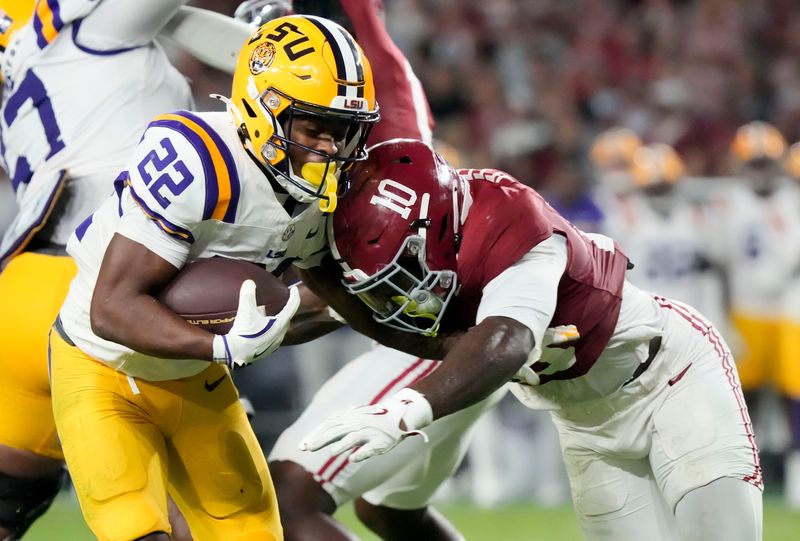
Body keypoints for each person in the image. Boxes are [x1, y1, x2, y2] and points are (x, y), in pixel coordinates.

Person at [299, 139, 764, 541]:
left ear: (431, 227)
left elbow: (508, 342)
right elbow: (331, 305)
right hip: (585, 423)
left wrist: (404, 410)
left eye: (405, 265)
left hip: (670, 378)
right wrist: (264, 322)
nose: (402, 290)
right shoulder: (437, 235)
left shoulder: (510, 221)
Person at [47, 13, 378, 541]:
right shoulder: (201, 159)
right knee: (137, 530)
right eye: (315, 129)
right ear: (263, 110)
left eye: (344, 132)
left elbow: (308, 305)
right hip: (100, 363)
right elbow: (110, 308)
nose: (331, 149)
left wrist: (386, 305)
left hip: (192, 379)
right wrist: (221, 347)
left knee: (252, 534)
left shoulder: (326, 190)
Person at [246, 2, 502, 540]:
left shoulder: (379, 133)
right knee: (388, 513)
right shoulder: (364, 100)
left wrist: (222, 331)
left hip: (439, 334)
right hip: (452, 330)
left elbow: (373, 282)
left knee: (289, 499)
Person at [0, 1, 212, 538]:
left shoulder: (21, 75)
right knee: (207, 512)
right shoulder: (94, 33)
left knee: (6, 502)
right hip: (115, 296)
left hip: (20, 294)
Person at [722, 121, 800, 508]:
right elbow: (718, 263)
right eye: (754, 163)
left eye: (766, 162)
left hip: (789, 311)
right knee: (742, 401)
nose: (760, 171)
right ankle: (741, 475)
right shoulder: (727, 203)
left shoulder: (793, 198)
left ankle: (795, 475)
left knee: (794, 395)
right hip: (746, 311)